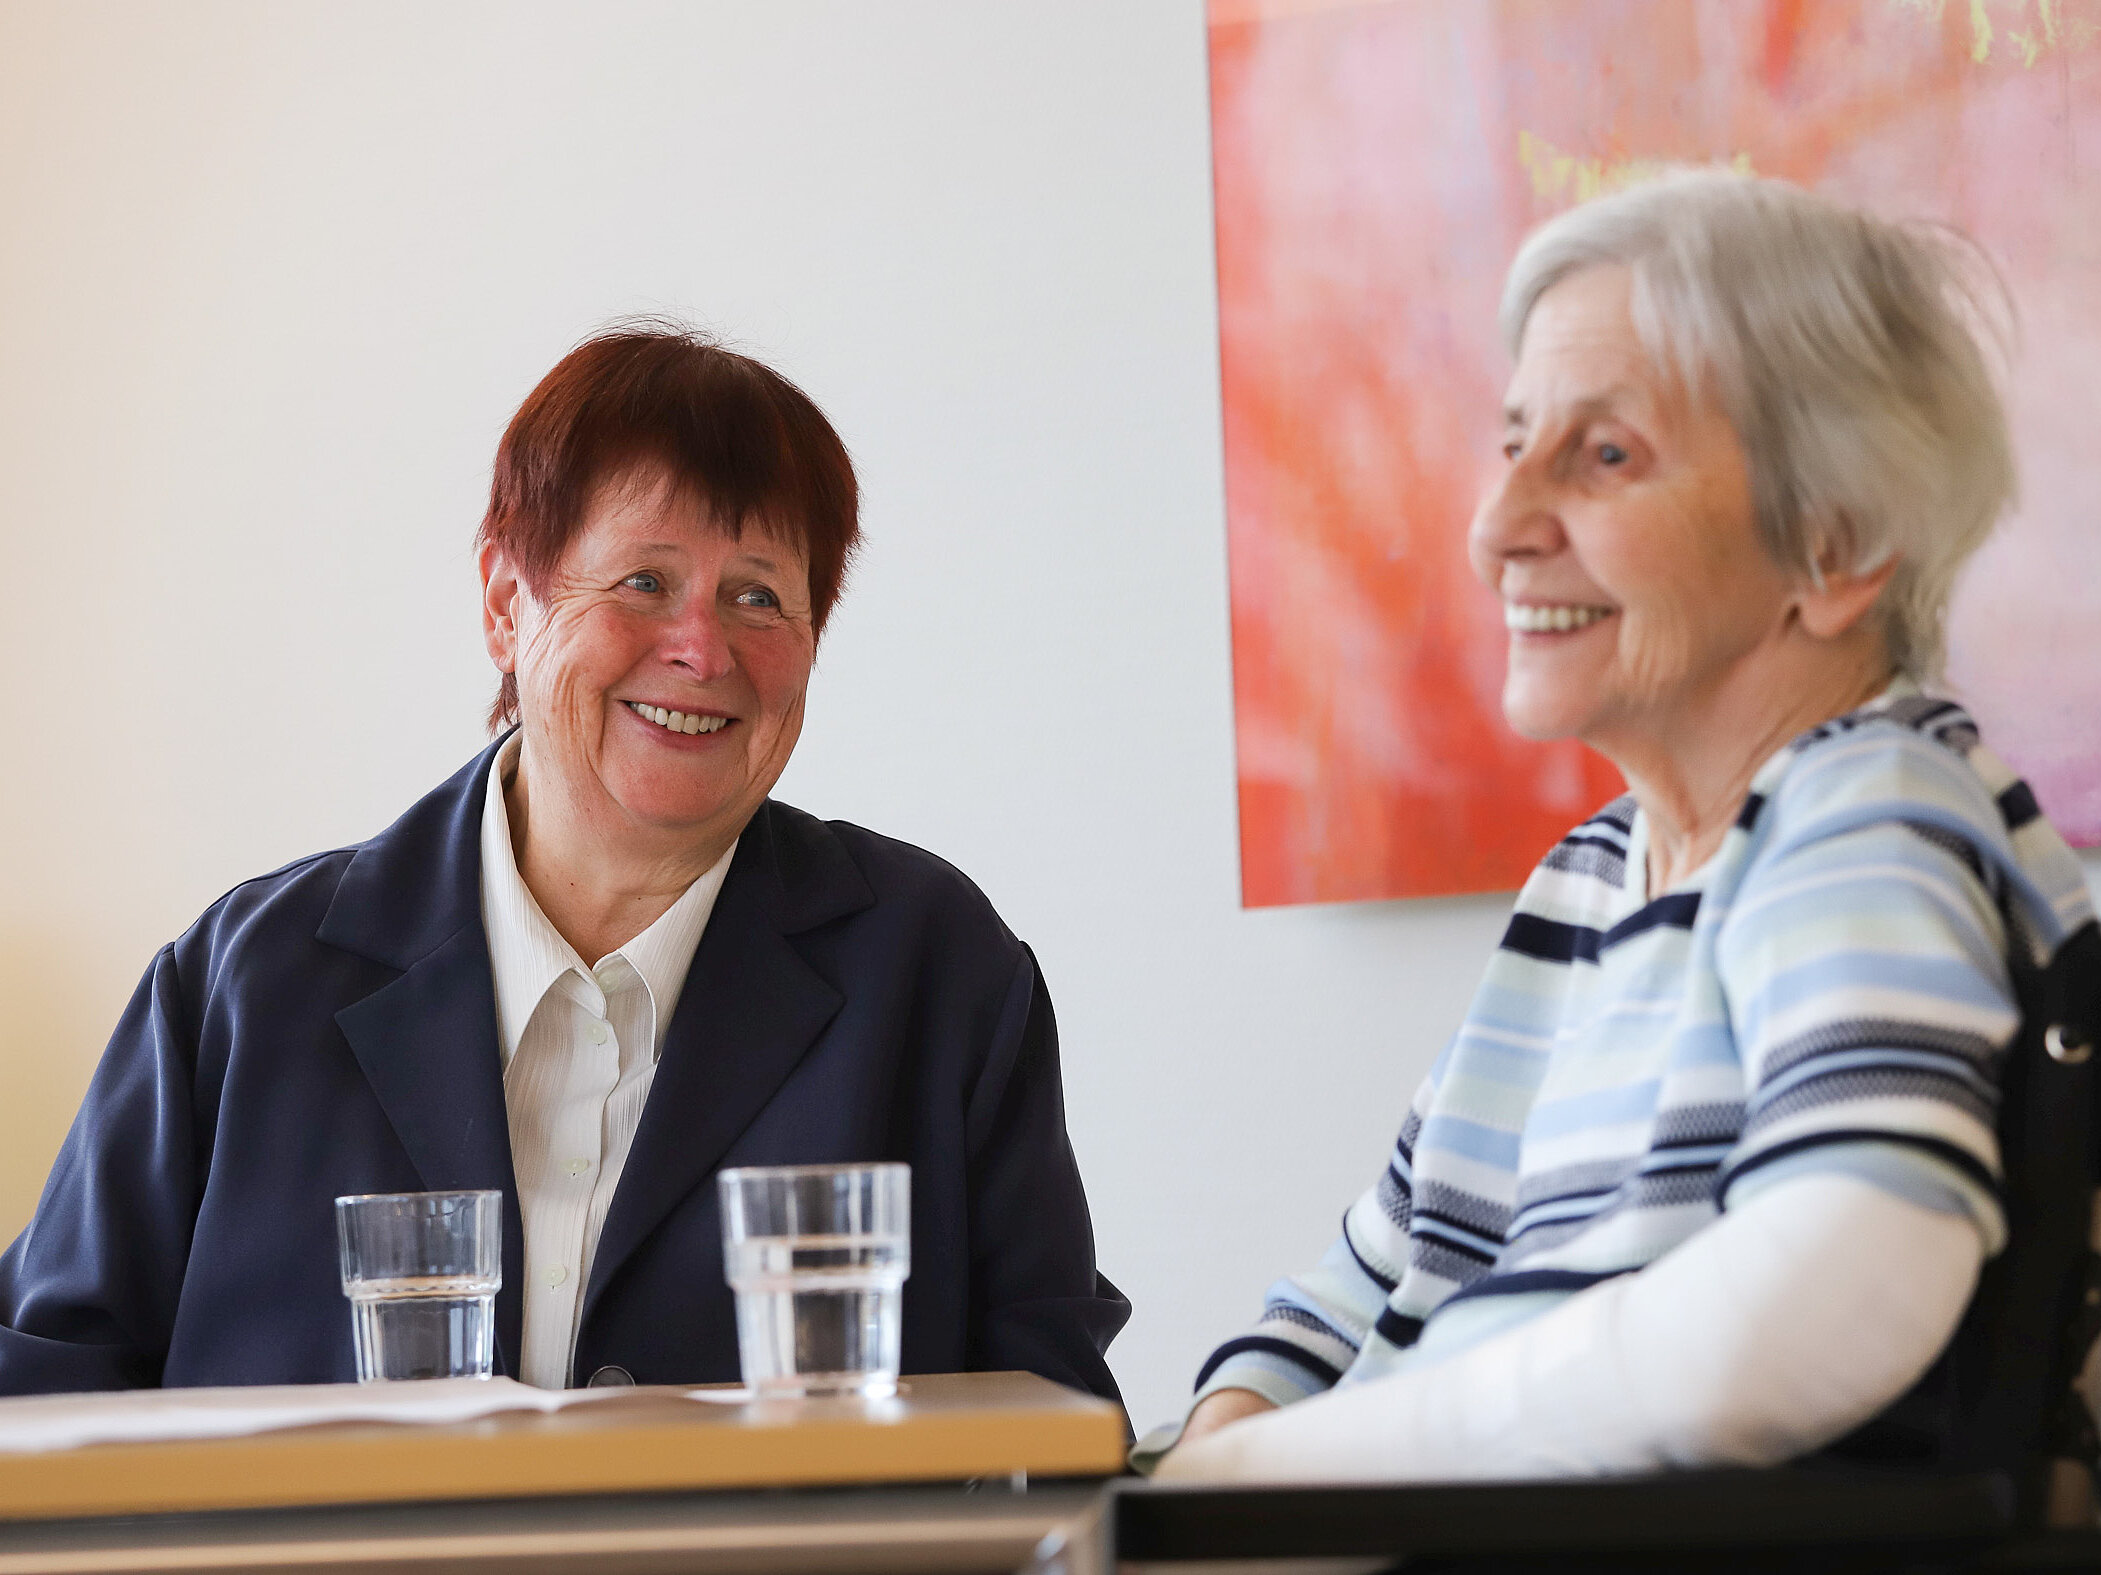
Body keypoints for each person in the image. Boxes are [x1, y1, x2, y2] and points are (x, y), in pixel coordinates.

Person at [1148, 173, 2096, 1481]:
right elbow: (1368, 1279)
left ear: (1835, 545)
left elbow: (1843, 1289)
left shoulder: (1867, 815)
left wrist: (1271, 1486)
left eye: (1604, 455)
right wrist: (1220, 1453)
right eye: (1513, 442)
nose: (1496, 530)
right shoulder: (1592, 880)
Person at [0, 323, 1128, 1398]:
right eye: (643, 582)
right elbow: (42, 1399)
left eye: (758, 597)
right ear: (506, 604)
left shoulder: (938, 973)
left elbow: (1053, 1430)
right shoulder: (242, 984)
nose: (701, 648)